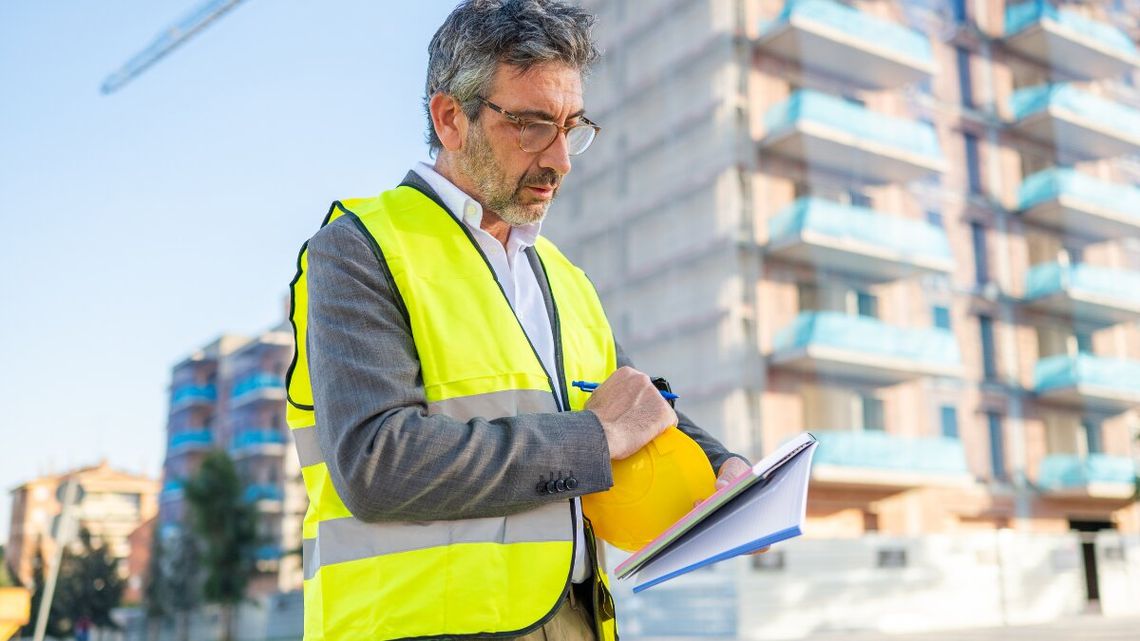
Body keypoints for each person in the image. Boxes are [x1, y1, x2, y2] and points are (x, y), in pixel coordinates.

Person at [286, 1, 751, 639]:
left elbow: (629, 404)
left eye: (572, 127)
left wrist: (724, 471)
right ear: (451, 118)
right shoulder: (359, 248)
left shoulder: (562, 276)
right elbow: (375, 462)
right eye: (532, 125)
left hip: (578, 621)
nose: (560, 159)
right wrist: (597, 441)